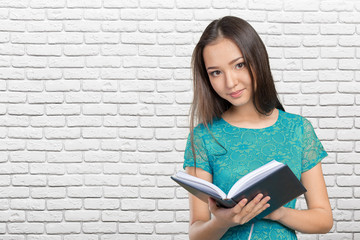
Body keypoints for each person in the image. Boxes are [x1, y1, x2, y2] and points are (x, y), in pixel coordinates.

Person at [183, 16, 333, 240]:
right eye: (216, 72)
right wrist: (221, 223)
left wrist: (279, 213)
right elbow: (196, 233)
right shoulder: (204, 136)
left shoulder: (297, 130)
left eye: (239, 65)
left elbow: (323, 220)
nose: (230, 82)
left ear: (257, 60)